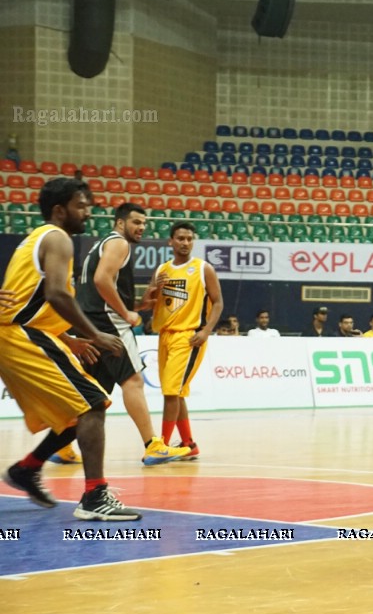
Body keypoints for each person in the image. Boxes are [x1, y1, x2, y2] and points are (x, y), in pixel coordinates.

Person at [0, 178, 141, 520]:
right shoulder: (57, 238)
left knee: (77, 414)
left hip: (20, 334)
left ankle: (27, 468)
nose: (88, 212)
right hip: (20, 335)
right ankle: (95, 497)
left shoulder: (35, 239)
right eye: (81, 205)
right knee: (94, 403)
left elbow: (34, 301)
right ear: (59, 210)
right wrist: (96, 333)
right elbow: (56, 296)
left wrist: (70, 340)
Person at [73, 202, 191, 466]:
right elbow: (102, 280)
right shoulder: (119, 243)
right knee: (133, 381)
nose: (141, 228)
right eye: (136, 222)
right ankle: (153, 445)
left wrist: (138, 305)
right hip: (109, 323)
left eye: (144, 224)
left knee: (95, 394)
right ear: (120, 222)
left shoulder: (102, 245)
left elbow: (99, 289)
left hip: (89, 322)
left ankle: (64, 445)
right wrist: (126, 315)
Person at [143, 221, 223, 463]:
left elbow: (218, 302)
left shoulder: (202, 268)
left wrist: (207, 331)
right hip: (164, 336)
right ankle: (188, 444)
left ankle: (163, 446)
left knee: (170, 392)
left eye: (189, 238)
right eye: (180, 238)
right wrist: (152, 290)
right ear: (170, 241)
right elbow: (148, 303)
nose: (185, 242)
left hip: (189, 337)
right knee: (176, 394)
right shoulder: (161, 270)